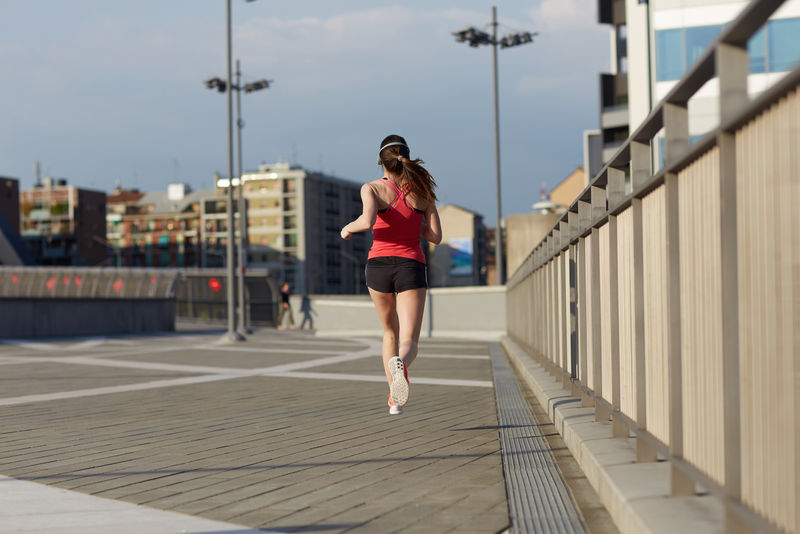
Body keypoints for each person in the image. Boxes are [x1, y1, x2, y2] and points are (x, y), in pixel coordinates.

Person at [340, 134, 442, 415]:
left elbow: (368, 220)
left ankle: (395, 400)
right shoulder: (423, 192)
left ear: (380, 162)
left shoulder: (371, 188)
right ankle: (401, 370)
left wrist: (347, 228)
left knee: (389, 334)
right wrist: (413, 225)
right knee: (410, 341)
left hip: (378, 266)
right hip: (410, 265)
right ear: (406, 158)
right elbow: (436, 236)